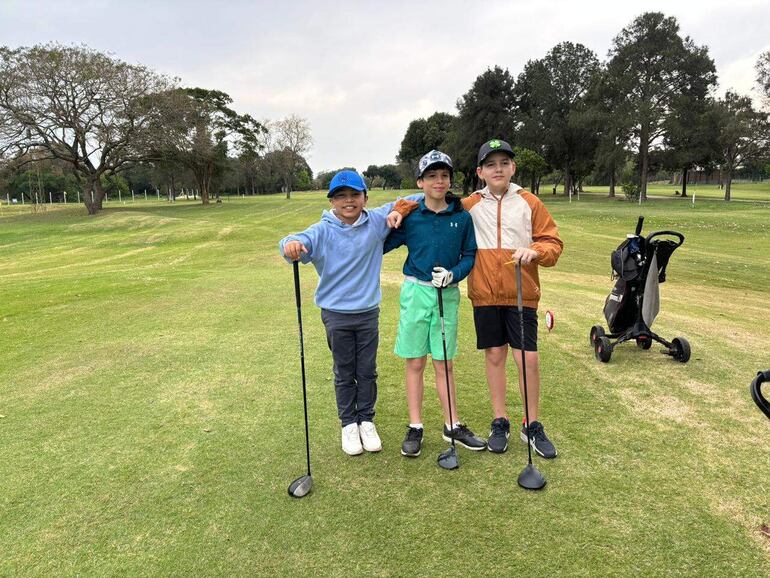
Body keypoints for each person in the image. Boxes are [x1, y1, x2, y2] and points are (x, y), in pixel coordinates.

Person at [279, 170, 417, 456]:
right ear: (332, 201)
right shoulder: (322, 230)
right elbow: (293, 240)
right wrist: (289, 245)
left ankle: (366, 420)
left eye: (355, 195)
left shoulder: (377, 220)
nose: (349, 201)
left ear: (365, 197)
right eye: (341, 196)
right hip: (336, 314)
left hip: (368, 313)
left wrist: (399, 209)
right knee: (344, 371)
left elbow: (416, 197)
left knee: (367, 370)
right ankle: (348, 425)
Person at [464, 139, 563, 458]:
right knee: (494, 355)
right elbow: (431, 204)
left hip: (521, 294)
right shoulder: (469, 205)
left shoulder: (529, 202)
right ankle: (499, 421)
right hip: (485, 294)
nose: (498, 169)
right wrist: (402, 208)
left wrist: (535, 251)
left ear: (513, 168)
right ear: (480, 172)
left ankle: (531, 424)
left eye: (504, 163)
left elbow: (552, 243)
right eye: (491, 164)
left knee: (527, 359)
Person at [384, 150, 486, 458]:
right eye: (431, 176)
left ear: (450, 180)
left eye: (443, 175)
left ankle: (451, 423)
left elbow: (470, 255)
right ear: (420, 182)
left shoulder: (462, 217)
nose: (438, 181)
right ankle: (415, 426)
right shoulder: (411, 217)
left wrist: (454, 273)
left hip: (447, 292)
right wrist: (393, 217)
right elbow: (383, 244)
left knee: (444, 363)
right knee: (415, 362)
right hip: (416, 293)